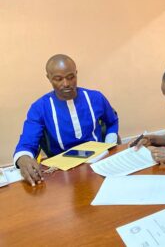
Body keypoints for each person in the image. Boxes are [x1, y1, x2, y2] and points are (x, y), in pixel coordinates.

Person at [14, 54, 119, 186]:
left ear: (76, 73)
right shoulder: (40, 107)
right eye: (58, 79)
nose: (66, 84)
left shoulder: (95, 98)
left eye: (71, 77)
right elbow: (27, 142)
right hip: (63, 175)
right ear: (49, 78)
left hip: (99, 164)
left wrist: (109, 145)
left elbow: (112, 121)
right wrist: (23, 158)